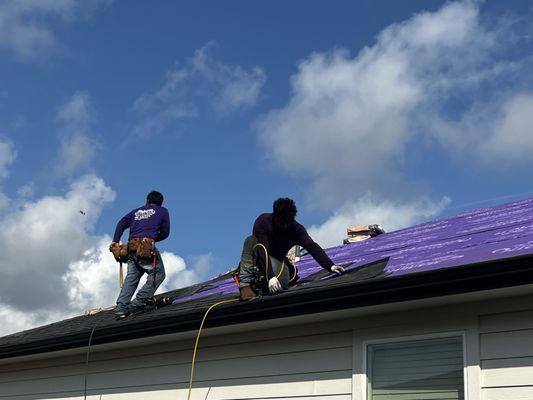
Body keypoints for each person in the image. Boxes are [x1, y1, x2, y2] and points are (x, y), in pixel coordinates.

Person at [237, 198, 344, 301]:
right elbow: (261, 250)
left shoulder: (297, 229)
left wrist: (330, 266)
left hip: (279, 271)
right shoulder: (263, 221)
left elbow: (312, 246)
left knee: (252, 243)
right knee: (251, 241)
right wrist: (270, 276)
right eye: (281, 222)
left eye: (287, 223)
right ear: (275, 216)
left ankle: (265, 285)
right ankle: (245, 287)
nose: (284, 226)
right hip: (263, 267)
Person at [109, 190, 170, 318]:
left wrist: (115, 240)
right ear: (160, 203)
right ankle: (139, 302)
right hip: (145, 248)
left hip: (131, 247)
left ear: (147, 201)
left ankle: (121, 307)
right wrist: (151, 239)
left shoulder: (135, 212)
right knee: (158, 274)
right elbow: (165, 233)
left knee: (132, 277)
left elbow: (121, 223)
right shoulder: (162, 211)